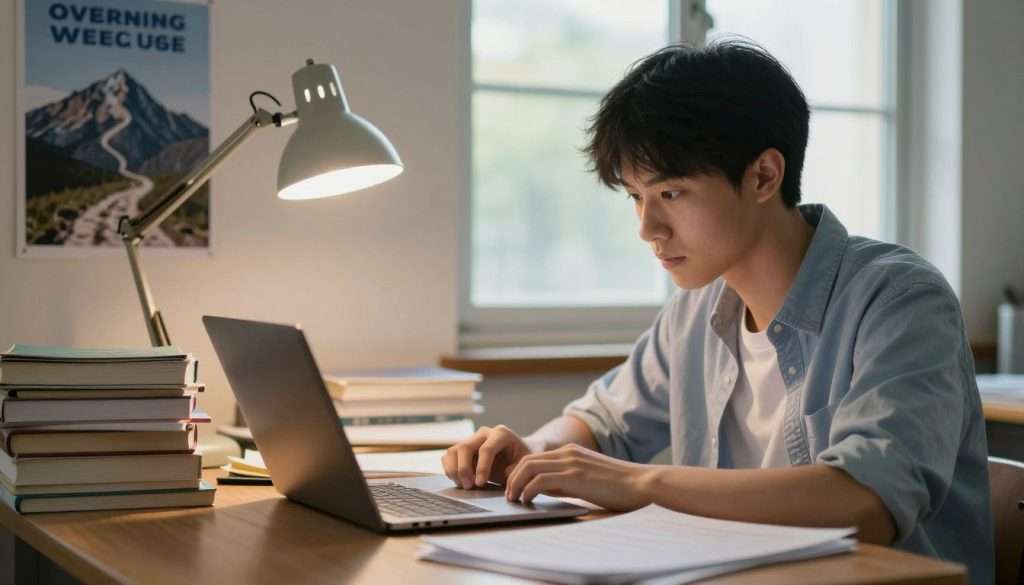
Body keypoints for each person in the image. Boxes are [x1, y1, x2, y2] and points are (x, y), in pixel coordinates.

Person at [441, 39, 992, 582]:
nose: (647, 229)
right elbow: (602, 423)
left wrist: (639, 483)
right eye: (635, 196)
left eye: (672, 194)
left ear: (763, 176)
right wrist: (534, 452)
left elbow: (865, 502)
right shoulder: (696, 310)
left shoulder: (899, 300)